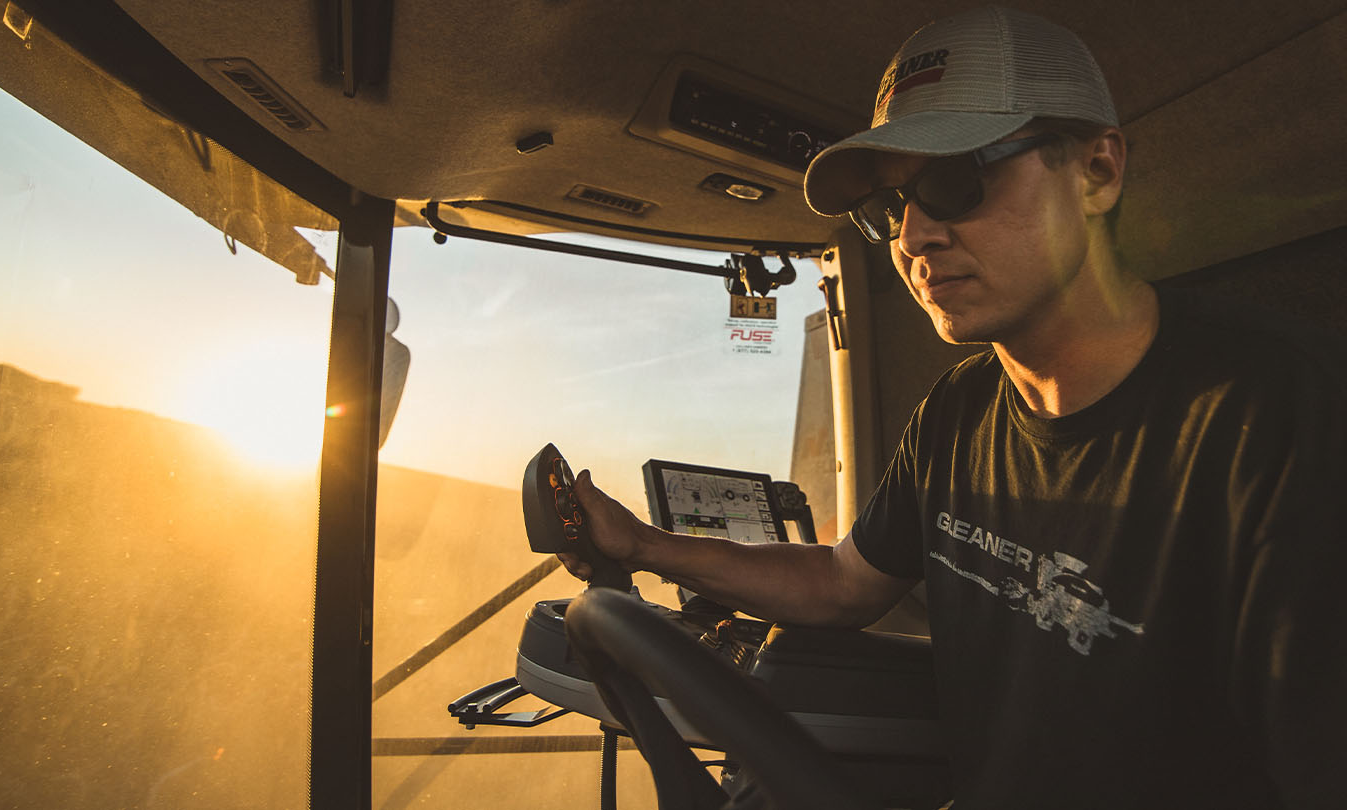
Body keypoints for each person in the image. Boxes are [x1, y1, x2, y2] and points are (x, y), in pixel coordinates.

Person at [559, 6, 1345, 809]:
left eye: (953, 180)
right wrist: (647, 546)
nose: (913, 237)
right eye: (892, 205)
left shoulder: (1285, 417)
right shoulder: (958, 413)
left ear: (1097, 173)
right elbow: (841, 580)